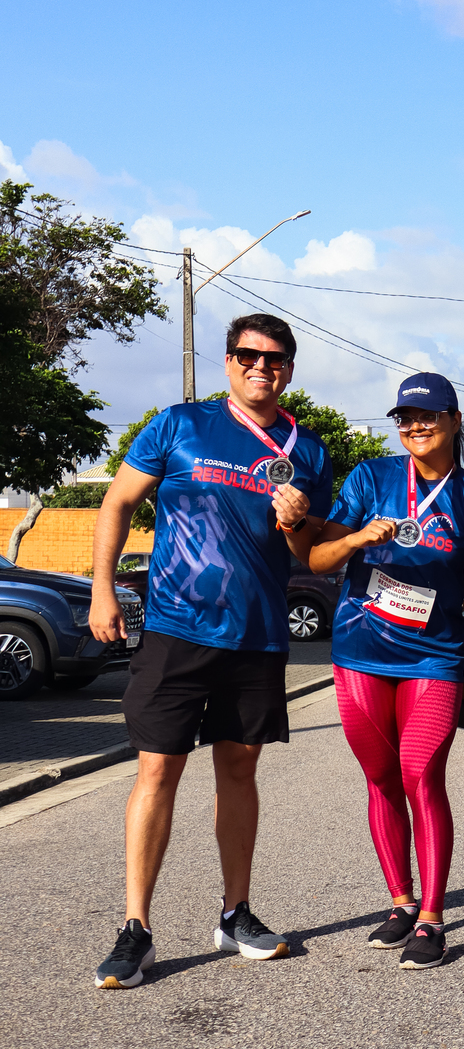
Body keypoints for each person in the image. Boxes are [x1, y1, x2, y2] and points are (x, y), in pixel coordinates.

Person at [90, 313, 333, 989]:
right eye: (249, 355)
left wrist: (296, 521)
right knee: (157, 771)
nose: (262, 366)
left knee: (239, 771)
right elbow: (117, 503)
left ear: (289, 369)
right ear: (228, 362)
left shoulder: (309, 451)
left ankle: (235, 914)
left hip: (257, 634)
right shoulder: (178, 425)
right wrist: (102, 590)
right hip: (177, 629)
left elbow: (307, 551)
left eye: (275, 358)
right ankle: (136, 929)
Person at [297, 373, 464, 971]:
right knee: (381, 778)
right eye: (405, 418)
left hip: (434, 657)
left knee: (421, 776)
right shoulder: (371, 478)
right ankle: (401, 901)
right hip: (360, 653)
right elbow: (317, 557)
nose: (415, 426)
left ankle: (432, 918)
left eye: (427, 416)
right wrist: (357, 537)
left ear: (454, 421)